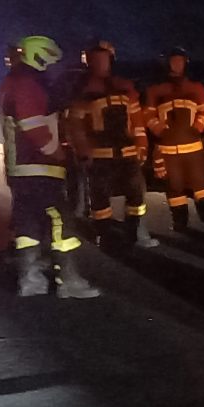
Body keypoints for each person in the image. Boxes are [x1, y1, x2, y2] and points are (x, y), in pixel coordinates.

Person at [0, 35, 99, 299]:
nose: (50, 66)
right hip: (39, 166)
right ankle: (69, 280)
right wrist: (57, 153)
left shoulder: (15, 82)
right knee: (61, 221)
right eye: (47, 59)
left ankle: (30, 279)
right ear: (37, 56)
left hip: (22, 167)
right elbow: (34, 126)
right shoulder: (28, 85)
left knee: (28, 224)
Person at [67, 41, 158, 250]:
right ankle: (104, 235)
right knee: (100, 199)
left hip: (127, 152)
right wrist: (82, 151)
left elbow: (136, 119)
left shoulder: (124, 86)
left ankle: (133, 233)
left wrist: (142, 144)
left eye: (105, 59)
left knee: (136, 194)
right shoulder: (83, 90)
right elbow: (75, 125)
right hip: (99, 154)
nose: (102, 63)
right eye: (97, 60)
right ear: (90, 62)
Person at [144, 47, 204, 233]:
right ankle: (180, 223)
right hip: (169, 150)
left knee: (201, 185)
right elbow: (148, 115)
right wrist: (161, 130)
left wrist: (197, 127)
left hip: (193, 146)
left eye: (180, 61)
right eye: (173, 61)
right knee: (174, 187)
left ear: (186, 63)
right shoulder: (155, 90)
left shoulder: (195, 87)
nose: (177, 65)